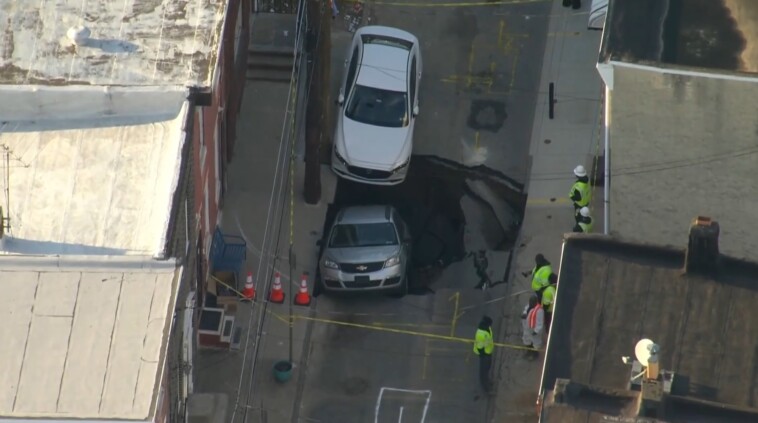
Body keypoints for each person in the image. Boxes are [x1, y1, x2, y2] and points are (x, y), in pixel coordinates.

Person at [473, 315, 495, 392]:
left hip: (488, 351)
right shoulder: (481, 334)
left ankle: (487, 380)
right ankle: (486, 387)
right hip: (484, 354)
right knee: (484, 370)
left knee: (488, 367)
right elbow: (480, 348)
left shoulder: (487, 328)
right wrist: (484, 356)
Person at [521, 295, 544, 360]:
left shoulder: (539, 311)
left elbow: (540, 323)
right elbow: (526, 310)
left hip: (533, 330)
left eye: (532, 302)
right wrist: (524, 314)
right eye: (530, 302)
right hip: (527, 328)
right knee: (527, 340)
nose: (530, 303)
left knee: (535, 343)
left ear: (535, 302)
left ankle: (535, 354)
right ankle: (529, 351)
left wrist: (536, 331)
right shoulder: (529, 306)